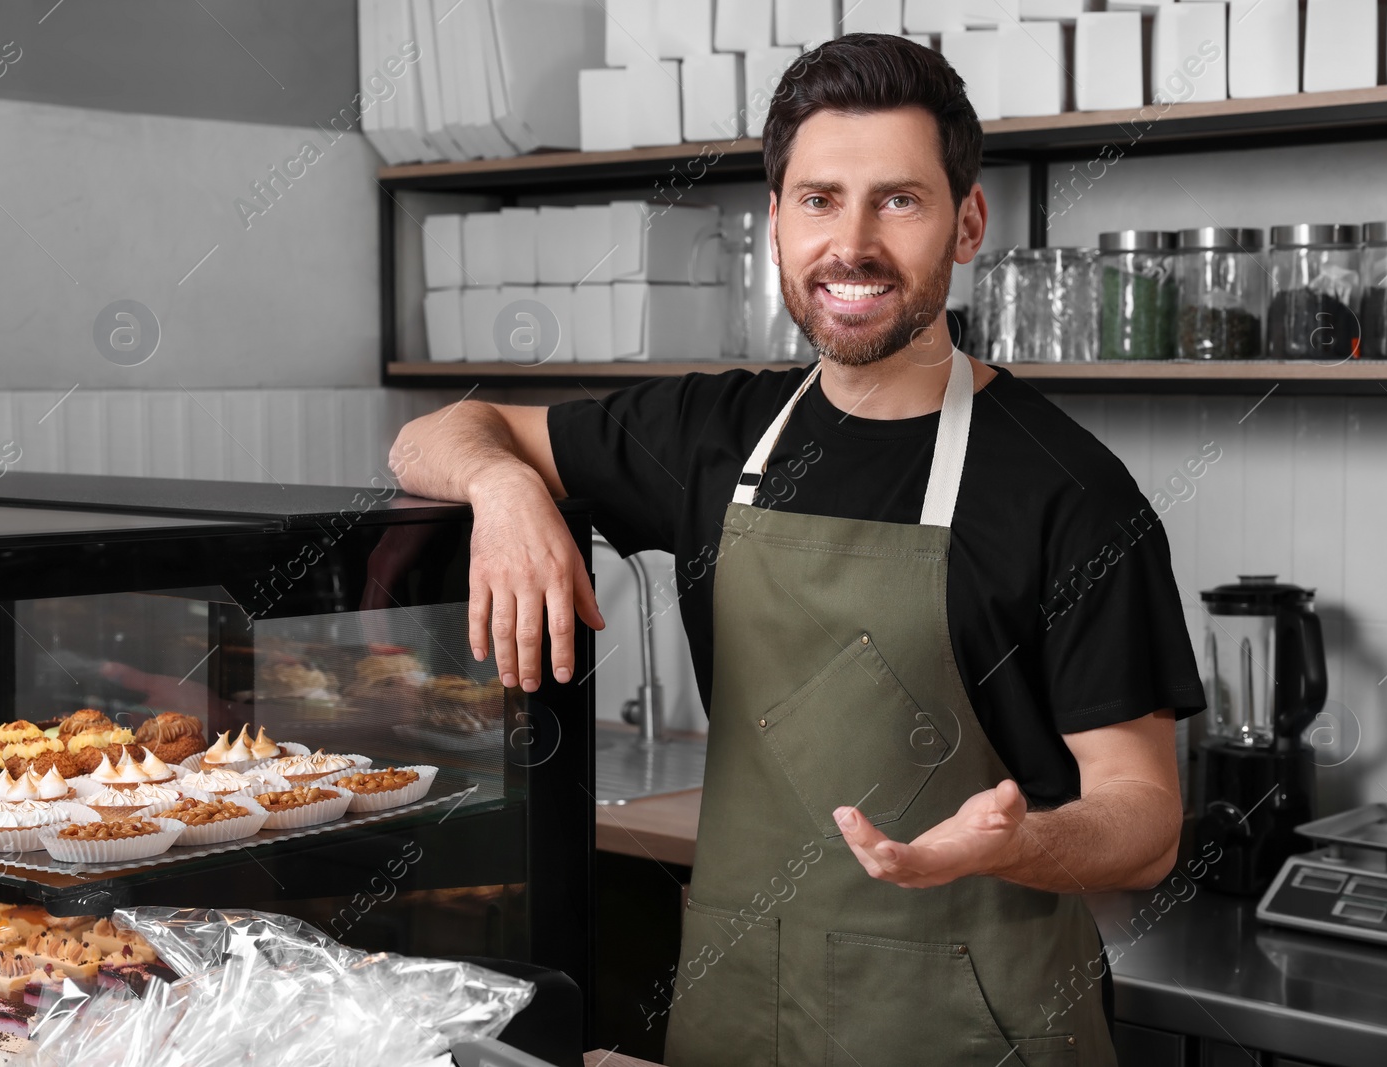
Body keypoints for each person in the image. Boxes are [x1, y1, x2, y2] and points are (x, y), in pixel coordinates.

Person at [392, 33, 1204, 1067]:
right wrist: (504, 487)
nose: (851, 242)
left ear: (966, 223)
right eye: (818, 199)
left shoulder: (1071, 489)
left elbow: (1143, 823)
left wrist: (1023, 842)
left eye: (897, 201)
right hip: (739, 1012)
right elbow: (437, 432)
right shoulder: (708, 434)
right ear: (773, 222)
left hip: (975, 1029)